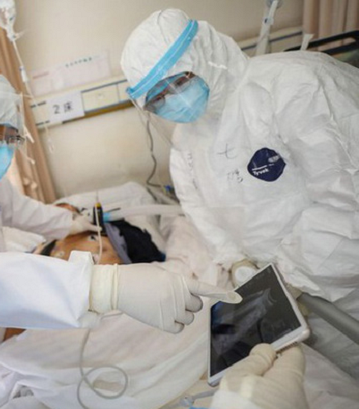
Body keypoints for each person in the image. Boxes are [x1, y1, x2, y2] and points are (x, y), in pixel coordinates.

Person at [0, 66, 237, 408]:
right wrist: (105, 286)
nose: (3, 147)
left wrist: (70, 224)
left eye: (10, 137)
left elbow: (18, 210)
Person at [121, 9, 359, 377]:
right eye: (159, 97)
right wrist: (237, 262)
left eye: (179, 80)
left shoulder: (295, 86)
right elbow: (200, 212)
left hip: (344, 284)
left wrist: (291, 275)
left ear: (204, 51)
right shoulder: (185, 144)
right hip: (290, 299)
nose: (174, 99)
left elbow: (348, 202)